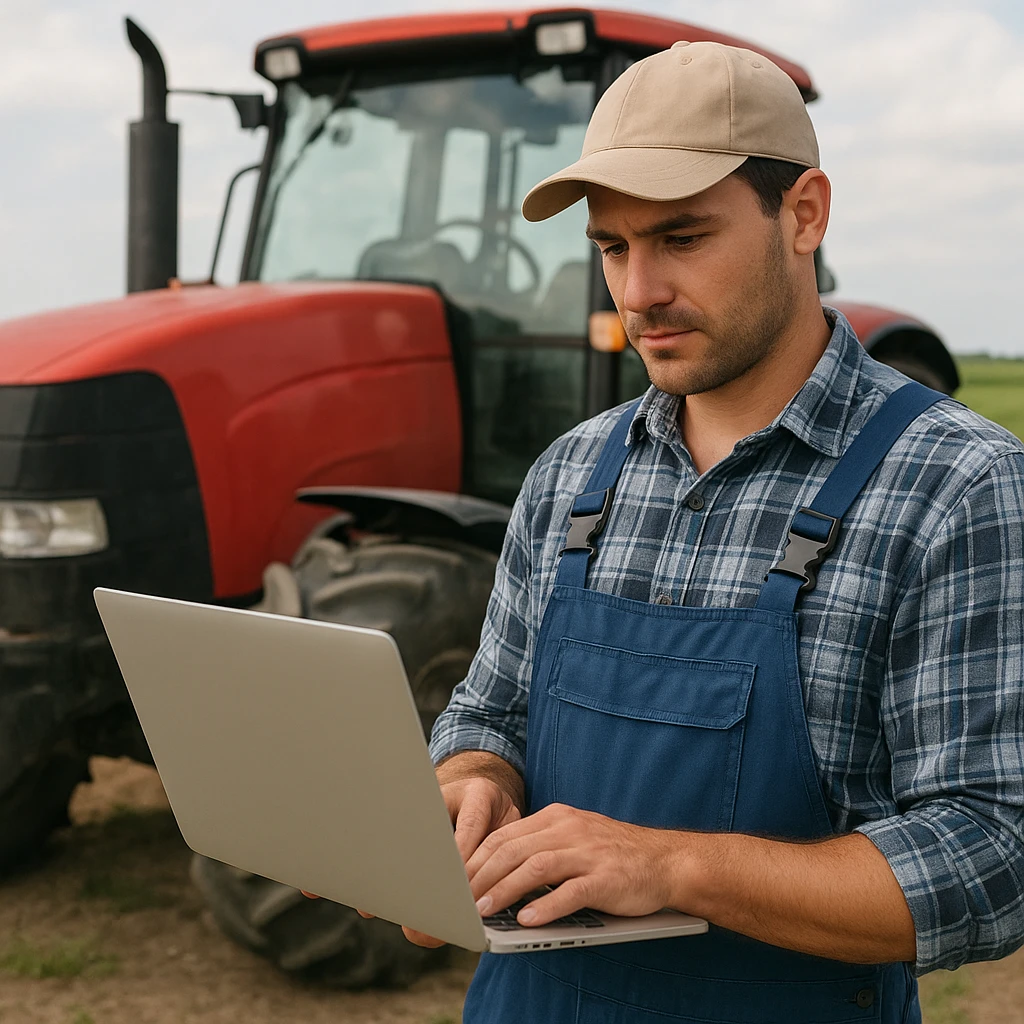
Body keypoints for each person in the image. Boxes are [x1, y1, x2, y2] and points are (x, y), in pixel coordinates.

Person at [406, 40, 1024, 1022]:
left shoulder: (955, 485)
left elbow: (992, 855)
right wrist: (471, 775)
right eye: (612, 247)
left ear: (804, 214)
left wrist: (672, 865)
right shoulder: (569, 473)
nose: (636, 290)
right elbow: (490, 709)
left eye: (681, 237)